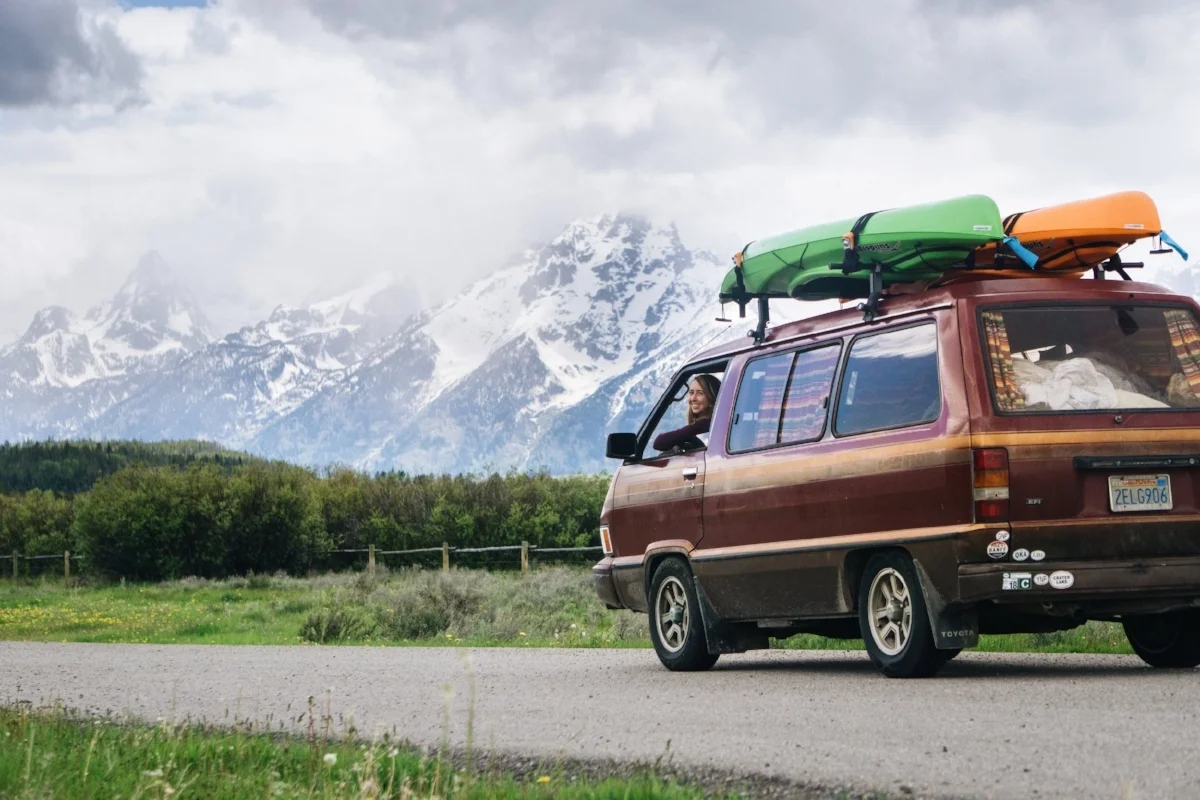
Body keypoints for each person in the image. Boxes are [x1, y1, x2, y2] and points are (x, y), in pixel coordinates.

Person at [653, 374, 721, 452]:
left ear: (712, 397)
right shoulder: (713, 424)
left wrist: (688, 437)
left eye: (700, 393)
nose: (693, 398)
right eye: (691, 393)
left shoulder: (708, 423)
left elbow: (659, 442)